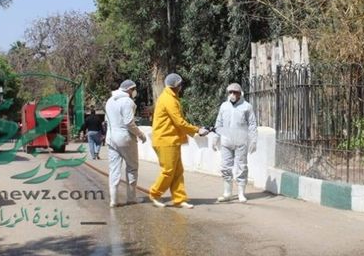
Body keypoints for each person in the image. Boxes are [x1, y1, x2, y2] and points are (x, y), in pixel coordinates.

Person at [148, 73, 208, 209]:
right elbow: (179, 121)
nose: (181, 87)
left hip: (171, 139)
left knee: (177, 171)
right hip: (165, 140)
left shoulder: (172, 97)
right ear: (176, 85)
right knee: (168, 170)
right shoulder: (168, 99)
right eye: (180, 84)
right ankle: (155, 194)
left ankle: (179, 199)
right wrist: (197, 130)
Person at [105, 79, 147, 208]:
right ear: (129, 89)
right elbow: (129, 122)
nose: (135, 92)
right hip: (125, 138)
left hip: (111, 138)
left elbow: (107, 120)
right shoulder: (127, 101)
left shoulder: (110, 101)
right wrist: (140, 134)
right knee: (132, 167)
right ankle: (131, 198)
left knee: (114, 169)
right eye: (134, 89)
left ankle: (114, 200)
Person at [213, 82, 257, 203]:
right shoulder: (224, 106)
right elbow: (219, 122)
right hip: (226, 141)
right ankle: (227, 193)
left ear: (240, 93)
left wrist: (253, 140)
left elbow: (252, 124)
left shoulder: (247, 107)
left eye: (235, 92)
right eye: (230, 92)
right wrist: (216, 137)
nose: (232, 94)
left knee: (241, 167)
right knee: (225, 166)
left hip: (241, 141)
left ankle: (241, 193)